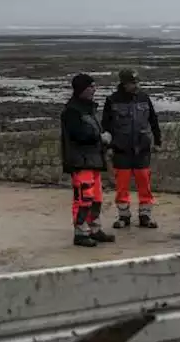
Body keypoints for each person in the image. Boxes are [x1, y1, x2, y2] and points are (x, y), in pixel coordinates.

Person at [102, 69, 163, 229]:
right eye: (132, 83)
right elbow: (106, 125)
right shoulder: (112, 100)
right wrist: (108, 147)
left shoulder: (144, 98)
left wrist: (157, 141)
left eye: (137, 82)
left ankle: (145, 215)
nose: (135, 85)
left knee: (144, 183)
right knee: (122, 185)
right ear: (124, 83)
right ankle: (124, 216)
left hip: (142, 149)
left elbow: (153, 120)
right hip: (121, 149)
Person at [60, 73, 116, 248]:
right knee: (83, 198)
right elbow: (80, 135)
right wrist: (101, 137)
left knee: (96, 198)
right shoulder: (72, 111)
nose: (94, 89)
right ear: (81, 89)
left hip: (93, 160)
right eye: (90, 86)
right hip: (80, 161)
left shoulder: (88, 109)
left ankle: (94, 228)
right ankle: (81, 232)